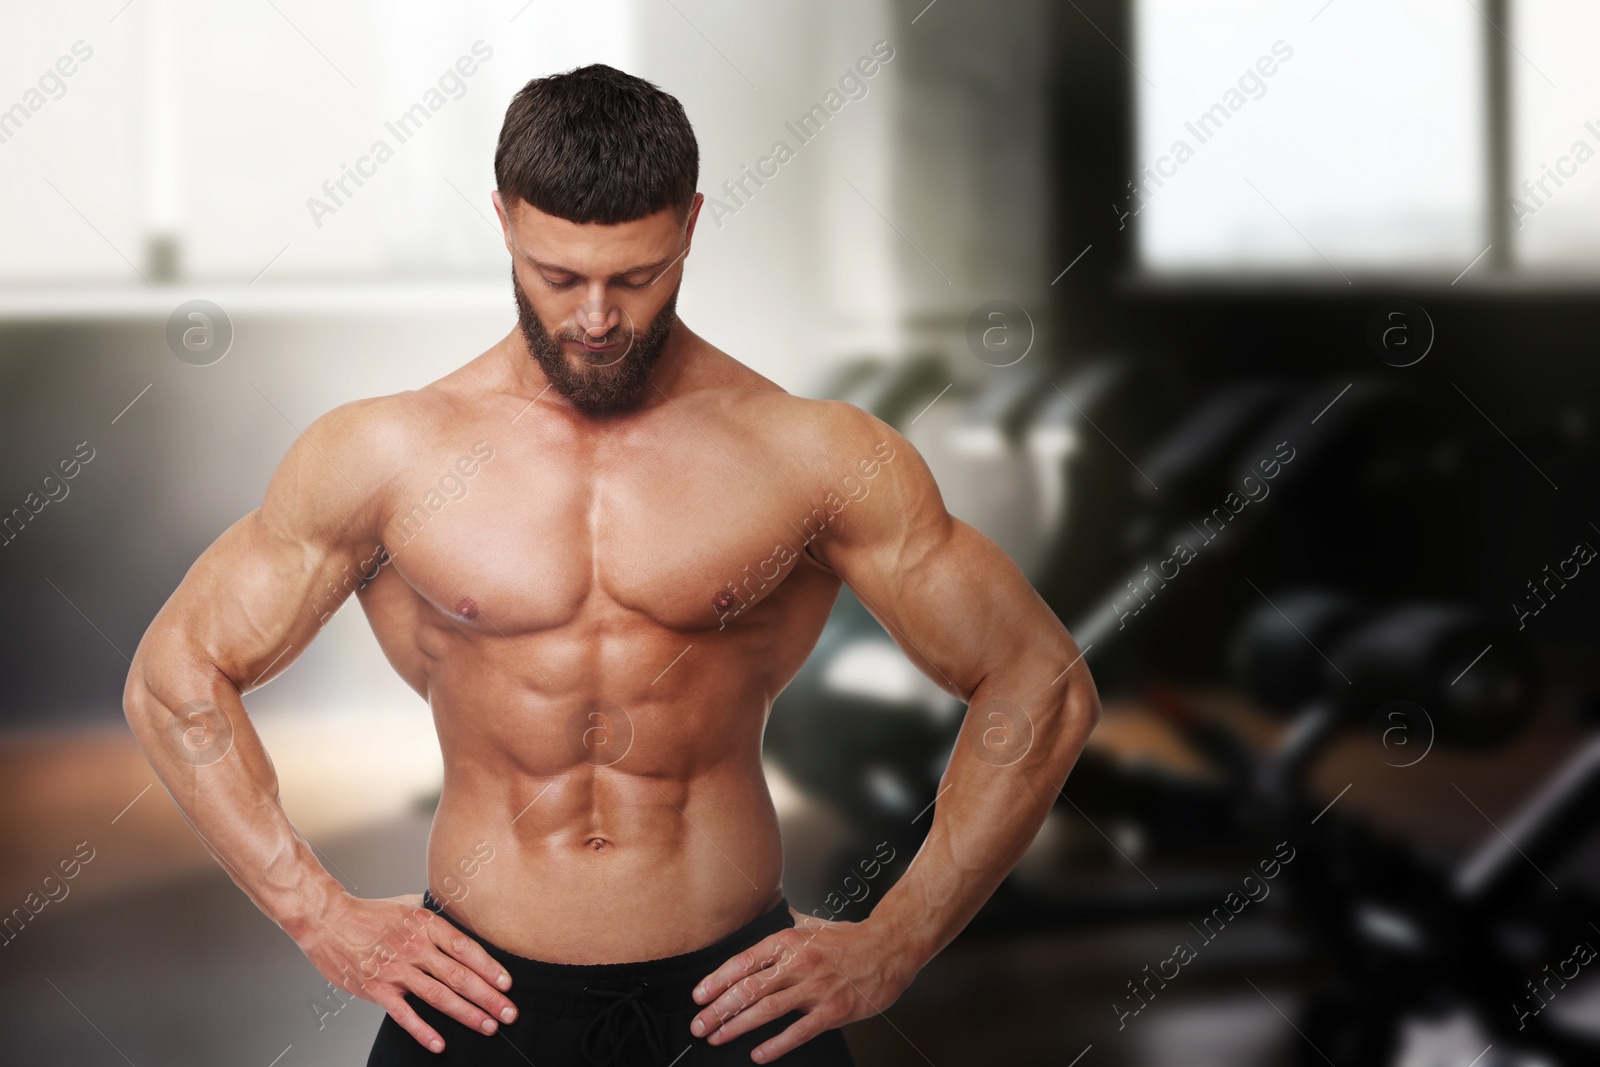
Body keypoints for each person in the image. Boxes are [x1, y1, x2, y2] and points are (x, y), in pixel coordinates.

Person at [123, 64, 1100, 1066]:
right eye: (560, 277)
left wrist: (898, 938)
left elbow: (1041, 681)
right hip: (476, 1003)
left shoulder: (813, 452)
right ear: (502, 221)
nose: (597, 318)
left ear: (688, 226)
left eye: (636, 278)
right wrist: (317, 914)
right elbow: (176, 675)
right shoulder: (386, 453)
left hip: (741, 1005)